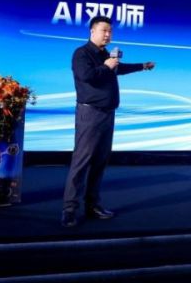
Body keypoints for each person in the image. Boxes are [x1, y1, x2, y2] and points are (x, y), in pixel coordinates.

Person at [61, 16, 155, 227]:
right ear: (92, 31)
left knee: (100, 162)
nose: (108, 34)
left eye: (110, 31)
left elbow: (117, 69)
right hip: (90, 114)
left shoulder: (106, 55)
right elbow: (87, 76)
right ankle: (69, 210)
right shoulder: (81, 53)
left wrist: (142, 66)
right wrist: (106, 66)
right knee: (82, 162)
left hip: (107, 114)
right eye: (104, 30)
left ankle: (92, 205)